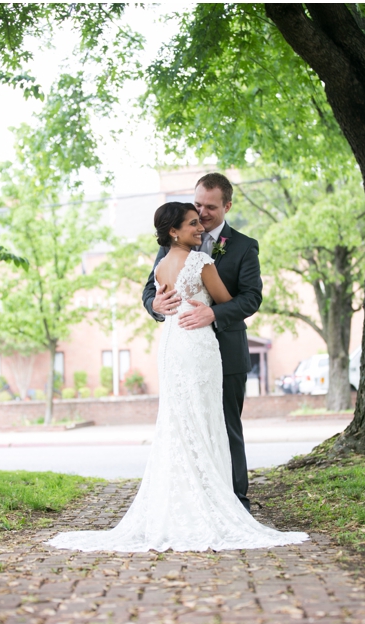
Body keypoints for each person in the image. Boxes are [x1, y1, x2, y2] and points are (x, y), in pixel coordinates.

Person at [48, 203, 307, 552]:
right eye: (192, 222)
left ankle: (182, 502)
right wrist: (202, 307)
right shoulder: (201, 261)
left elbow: (165, 291)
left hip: (172, 346)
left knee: (178, 422)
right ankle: (212, 502)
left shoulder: (162, 265)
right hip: (197, 345)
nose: (200, 225)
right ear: (174, 231)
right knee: (204, 420)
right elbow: (225, 299)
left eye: (202, 218)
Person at [143, 173, 258, 513]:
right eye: (197, 205)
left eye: (210, 207)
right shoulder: (170, 248)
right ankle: (197, 499)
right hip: (183, 347)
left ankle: (236, 501)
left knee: (225, 425)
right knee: (186, 422)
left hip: (226, 347)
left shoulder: (244, 246)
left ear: (227, 206)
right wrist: (155, 305)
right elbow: (152, 288)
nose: (203, 213)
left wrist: (214, 313)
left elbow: (251, 298)